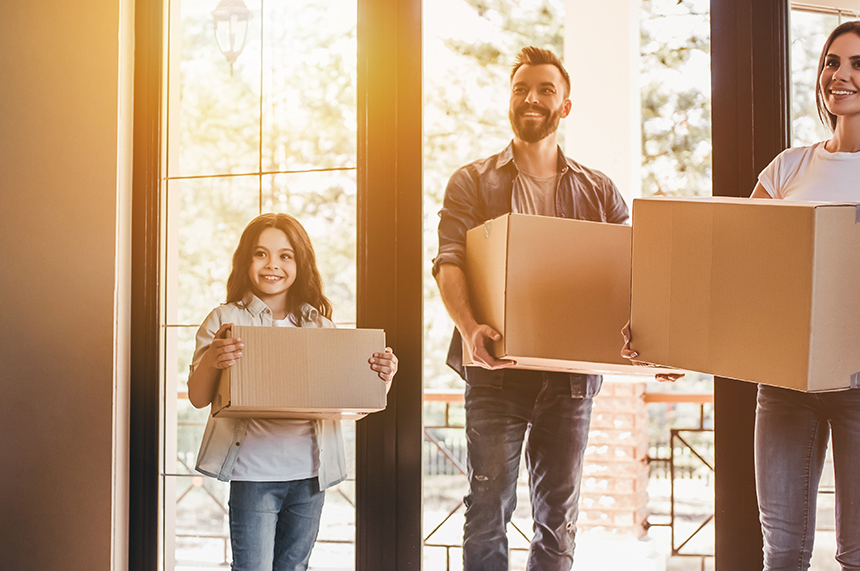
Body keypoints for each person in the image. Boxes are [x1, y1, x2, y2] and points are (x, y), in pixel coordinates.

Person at [625, 20, 860, 570]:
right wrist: (671, 334)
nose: (840, 75)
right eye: (831, 62)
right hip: (784, 384)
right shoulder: (788, 168)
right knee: (783, 553)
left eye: (858, 64)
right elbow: (731, 270)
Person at [432, 46, 629, 570]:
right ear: (509, 101)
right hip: (496, 371)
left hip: (569, 379)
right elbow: (448, 261)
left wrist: (660, 343)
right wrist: (470, 327)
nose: (531, 99)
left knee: (558, 517)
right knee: (487, 510)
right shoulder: (472, 183)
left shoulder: (600, 191)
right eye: (521, 89)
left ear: (565, 107)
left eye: (545, 90)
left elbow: (630, 278)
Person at [187, 213, 398, 571]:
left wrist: (382, 376)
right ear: (246, 261)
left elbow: (350, 404)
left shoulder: (320, 326)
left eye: (285, 256)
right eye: (261, 254)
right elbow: (197, 397)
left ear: (300, 263)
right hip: (253, 476)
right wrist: (213, 359)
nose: (273, 265)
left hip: (310, 476)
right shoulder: (225, 319)